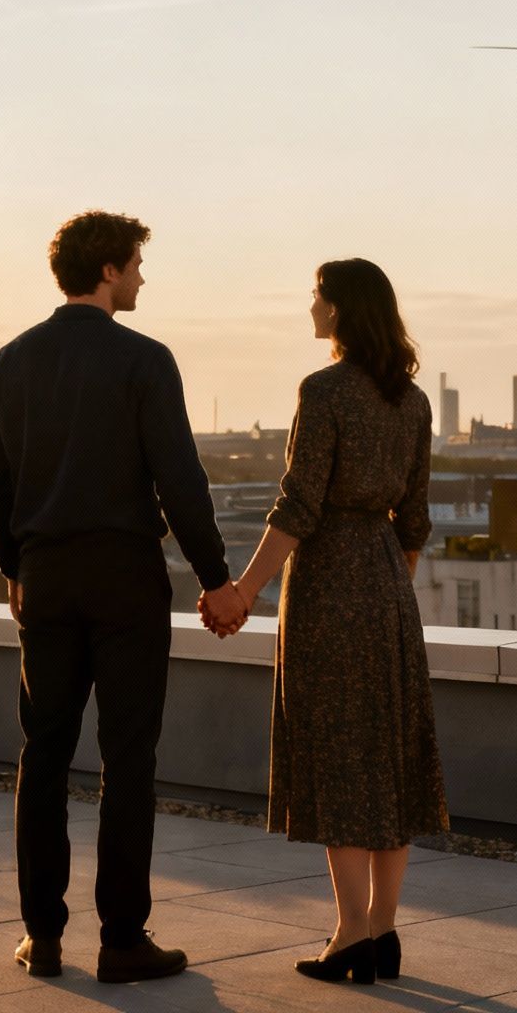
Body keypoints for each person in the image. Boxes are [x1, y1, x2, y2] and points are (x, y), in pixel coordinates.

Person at [0, 210, 248, 985]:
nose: (141, 277)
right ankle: (124, 939)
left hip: (49, 580)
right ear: (109, 270)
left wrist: (15, 566)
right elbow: (180, 482)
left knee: (45, 755)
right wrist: (217, 580)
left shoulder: (7, 364)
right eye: (135, 265)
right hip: (126, 578)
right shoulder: (145, 361)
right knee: (129, 761)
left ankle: (43, 937)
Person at [202, 257, 448, 986]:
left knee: (343, 760)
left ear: (338, 309)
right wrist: (387, 592)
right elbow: (417, 519)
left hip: (329, 582)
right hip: (387, 588)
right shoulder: (413, 401)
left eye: (316, 296)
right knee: (391, 760)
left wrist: (242, 591)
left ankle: (349, 935)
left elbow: (298, 506)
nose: (310, 305)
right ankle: (385, 932)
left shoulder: (324, 391)